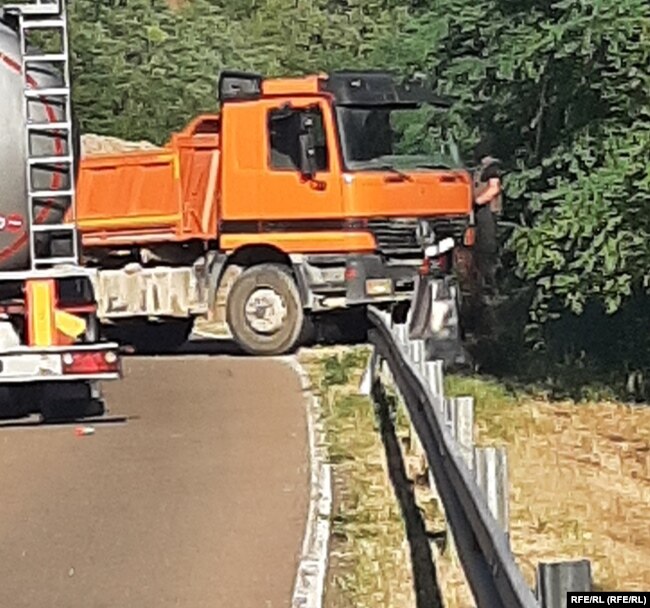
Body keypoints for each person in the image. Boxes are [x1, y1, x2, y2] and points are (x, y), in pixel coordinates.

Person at [472, 156, 503, 294]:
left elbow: (494, 189)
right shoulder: (478, 169)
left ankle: (493, 285)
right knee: (479, 249)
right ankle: (483, 284)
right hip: (480, 212)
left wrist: (475, 202)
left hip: (488, 211)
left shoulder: (492, 169)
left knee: (488, 247)